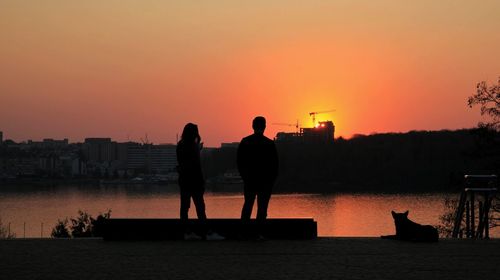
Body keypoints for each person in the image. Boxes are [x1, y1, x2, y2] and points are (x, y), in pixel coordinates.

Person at [177, 123, 223, 240]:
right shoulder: (194, 147)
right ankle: (207, 232)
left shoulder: (180, 145)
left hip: (184, 180)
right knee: (200, 208)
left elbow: (182, 164)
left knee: (184, 207)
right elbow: (196, 166)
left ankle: (186, 232)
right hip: (195, 181)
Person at [237, 116, 279, 223]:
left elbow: (240, 162)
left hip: (250, 180)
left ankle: (244, 232)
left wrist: (245, 177)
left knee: (248, 206)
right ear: (264, 127)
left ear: (252, 126)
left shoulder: (245, 142)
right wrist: (271, 181)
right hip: (265, 182)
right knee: (262, 208)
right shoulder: (269, 144)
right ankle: (259, 232)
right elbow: (275, 165)